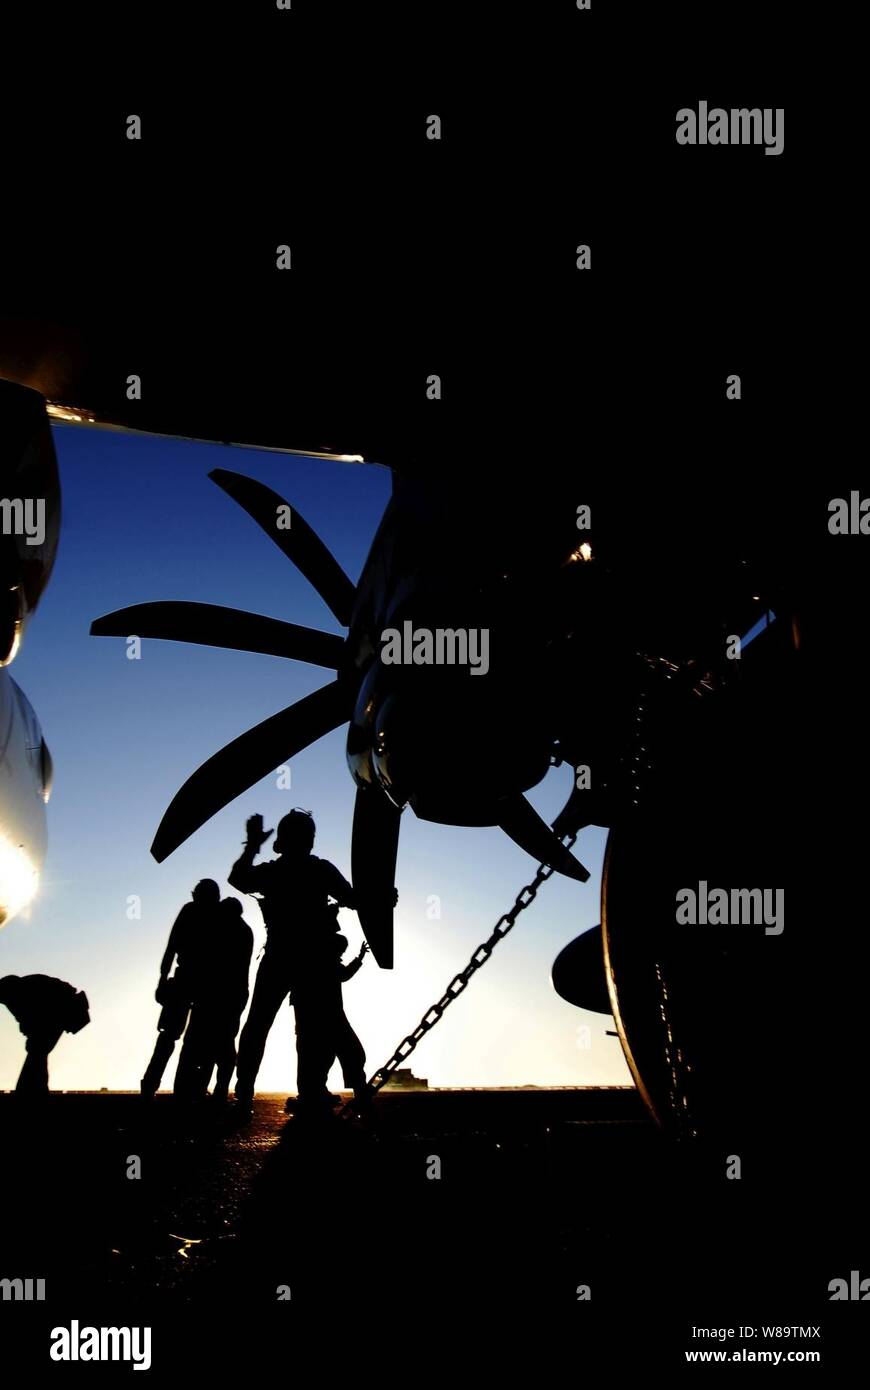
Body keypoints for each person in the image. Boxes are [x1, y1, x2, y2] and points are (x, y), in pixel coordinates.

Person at [229, 809, 361, 1114]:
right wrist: (378, 899)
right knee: (310, 1027)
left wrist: (251, 846)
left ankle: (249, 1092)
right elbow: (354, 899)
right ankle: (310, 1090)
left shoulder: (274, 873)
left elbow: (238, 878)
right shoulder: (319, 870)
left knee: (267, 1025)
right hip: (311, 960)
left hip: (283, 956)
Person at [140, 879, 221, 1098]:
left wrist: (162, 979)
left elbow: (171, 947)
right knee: (191, 1039)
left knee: (172, 1037)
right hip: (201, 983)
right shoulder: (215, 916)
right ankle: (183, 1088)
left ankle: (152, 1085)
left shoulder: (192, 911)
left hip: (189, 981)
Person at [175, 896, 254, 1102]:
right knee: (224, 1041)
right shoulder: (244, 931)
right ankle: (219, 1087)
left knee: (204, 1042)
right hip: (234, 996)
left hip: (214, 995)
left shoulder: (221, 930)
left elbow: (207, 962)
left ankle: (200, 1088)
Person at [286, 933, 370, 1111]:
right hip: (327, 1019)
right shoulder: (324, 963)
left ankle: (314, 1092)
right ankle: (352, 1089)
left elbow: (343, 974)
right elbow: (344, 974)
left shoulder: (315, 962)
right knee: (346, 1054)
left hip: (316, 1020)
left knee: (321, 1058)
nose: (340, 954)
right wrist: (359, 958)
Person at [0, 974, 90, 1095]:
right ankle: (33, 1089)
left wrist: (29, 1029)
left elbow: (27, 1014)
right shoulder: (18, 990)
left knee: (37, 1051)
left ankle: (31, 1090)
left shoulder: (15, 990)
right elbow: (24, 1016)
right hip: (60, 1009)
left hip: (60, 1009)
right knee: (38, 1052)